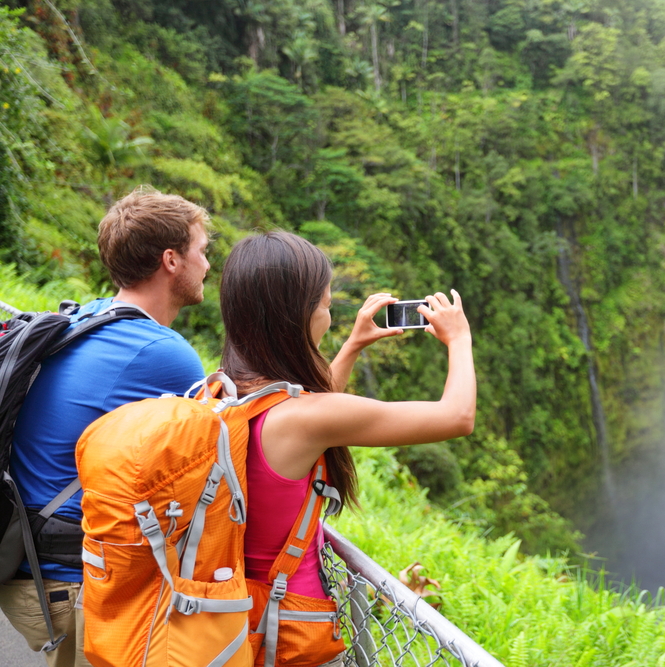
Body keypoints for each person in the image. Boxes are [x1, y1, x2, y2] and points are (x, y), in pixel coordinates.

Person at [219, 231, 475, 663]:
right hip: (293, 632)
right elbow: (457, 416)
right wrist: (460, 339)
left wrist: (354, 344)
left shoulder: (225, 391)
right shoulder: (305, 418)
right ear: (297, 316)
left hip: (239, 619)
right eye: (326, 304)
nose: (330, 315)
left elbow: (307, 418)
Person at [0, 187, 211, 667]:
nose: (207, 264)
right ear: (171, 260)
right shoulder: (164, 352)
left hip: (28, 565)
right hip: (70, 583)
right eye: (202, 251)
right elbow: (230, 450)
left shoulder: (86, 316)